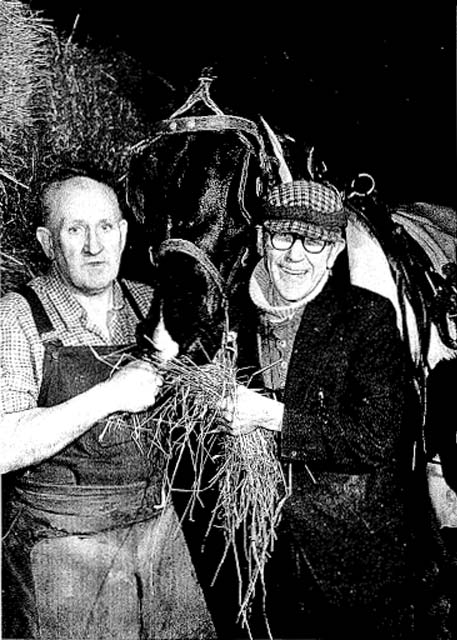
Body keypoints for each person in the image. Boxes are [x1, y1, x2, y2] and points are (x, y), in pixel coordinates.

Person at [0, 172, 216, 639]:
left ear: (123, 233)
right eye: (75, 230)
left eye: (106, 227)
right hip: (64, 548)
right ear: (46, 242)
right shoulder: (18, 315)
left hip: (160, 539)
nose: (94, 245)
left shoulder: (148, 304)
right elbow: (5, 445)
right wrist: (111, 394)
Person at [224, 179, 423, 639]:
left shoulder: (365, 316)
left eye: (314, 241)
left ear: (334, 253)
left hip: (347, 555)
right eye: (283, 236)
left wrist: (269, 416)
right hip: (258, 555)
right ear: (261, 240)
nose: (297, 256)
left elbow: (375, 437)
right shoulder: (232, 312)